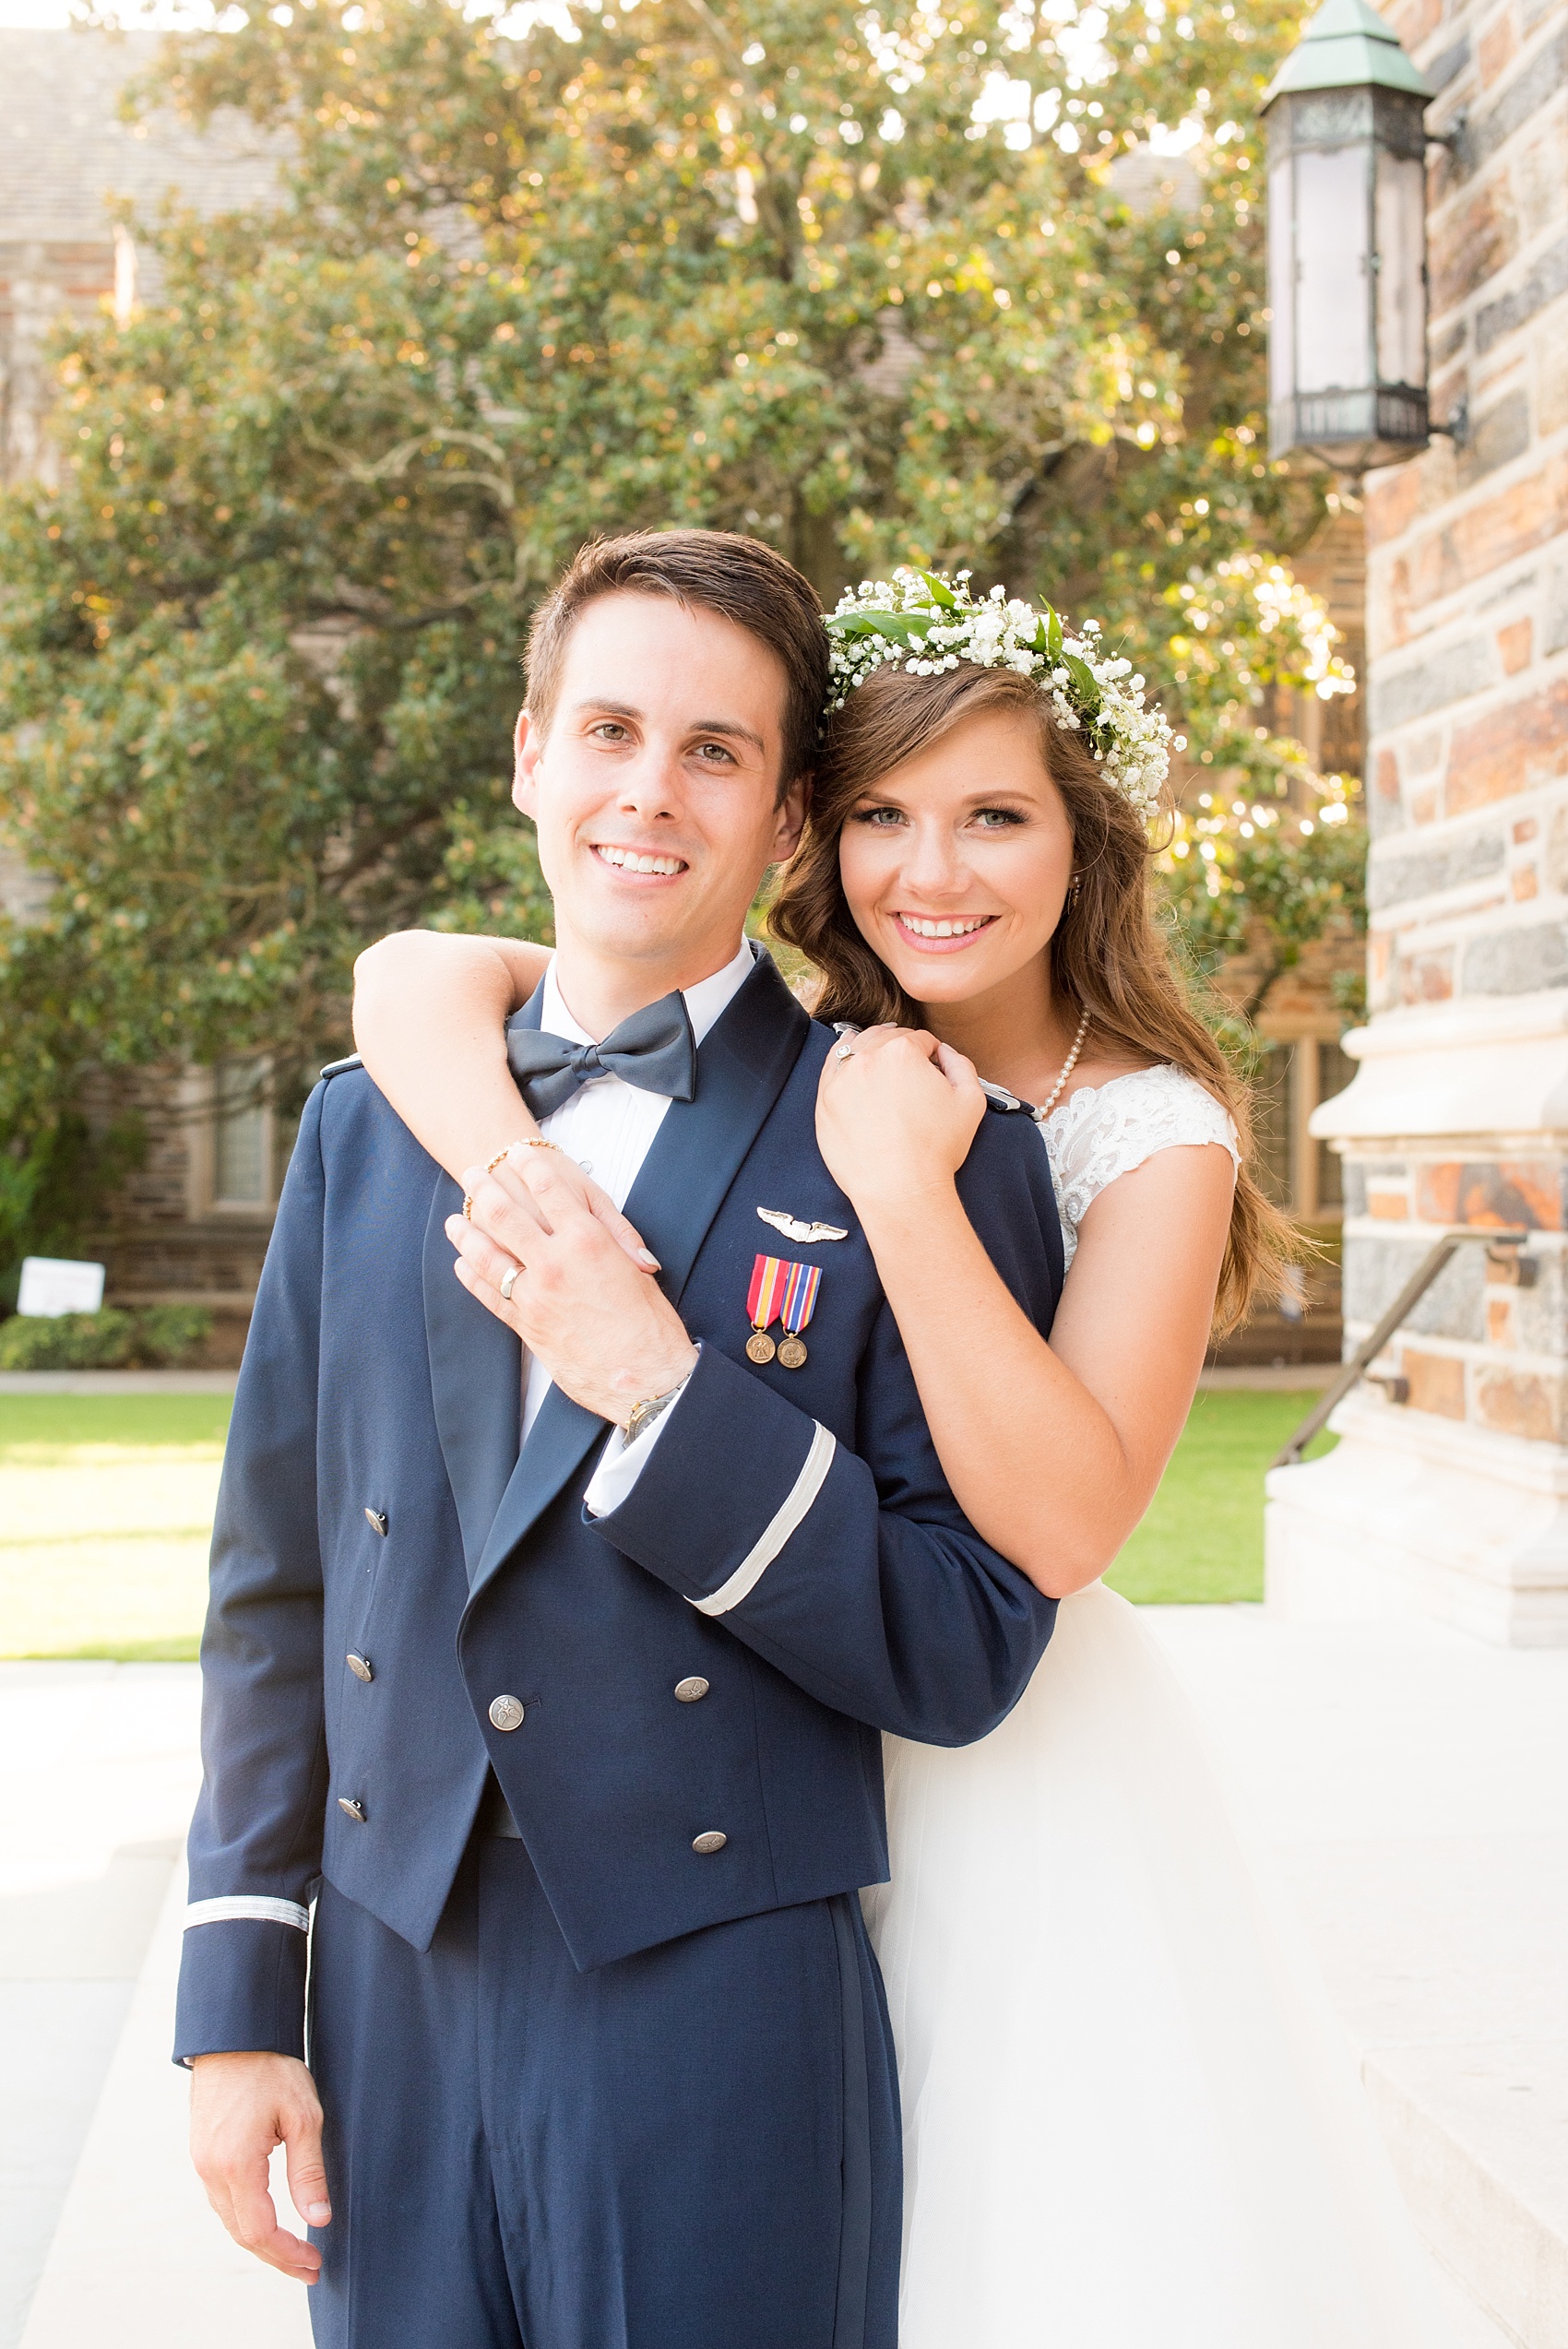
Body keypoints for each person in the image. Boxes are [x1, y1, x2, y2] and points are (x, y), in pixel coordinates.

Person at [354, 567, 1464, 2346]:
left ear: (1085, 845)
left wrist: (900, 1189)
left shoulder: (1147, 1133)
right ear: (810, 830)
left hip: (992, 1762)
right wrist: (519, 1169)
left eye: (996, 818)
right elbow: (415, 977)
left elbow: (1064, 1523)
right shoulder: (785, 1047)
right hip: (733, 1747)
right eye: (882, 813)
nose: (930, 872)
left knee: (991, 2250)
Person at [176, 533, 1070, 2349]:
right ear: (528, 752)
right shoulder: (367, 1130)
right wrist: (236, 2001)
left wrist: (665, 1394)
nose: (646, 791)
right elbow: (276, 1581)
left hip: (719, 1993)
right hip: (385, 1984)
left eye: (714, 750)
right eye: (606, 729)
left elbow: (967, 1635)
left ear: (787, 820)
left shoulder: (922, 1146)